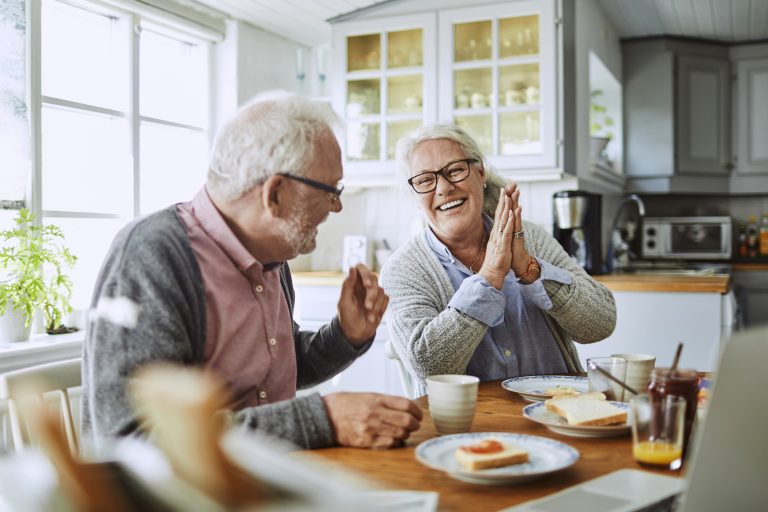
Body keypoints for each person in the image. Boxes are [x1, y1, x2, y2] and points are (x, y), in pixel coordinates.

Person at [82, 91, 422, 453]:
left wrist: (345, 336)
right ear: (274, 194)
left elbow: (278, 371)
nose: (336, 207)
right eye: (330, 191)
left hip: (269, 483)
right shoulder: (152, 255)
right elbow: (131, 440)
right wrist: (323, 420)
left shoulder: (271, 256)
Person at [381, 124, 616, 393]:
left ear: (480, 172)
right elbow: (429, 368)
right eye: (425, 180)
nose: (444, 188)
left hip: (558, 411)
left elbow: (600, 324)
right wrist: (490, 276)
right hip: (469, 429)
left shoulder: (530, 238)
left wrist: (531, 270)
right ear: (414, 194)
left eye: (455, 170)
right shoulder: (403, 270)